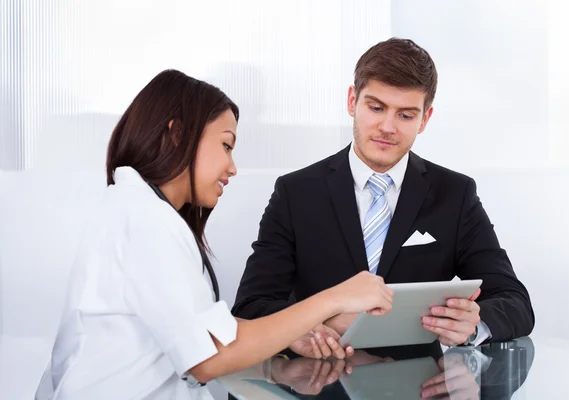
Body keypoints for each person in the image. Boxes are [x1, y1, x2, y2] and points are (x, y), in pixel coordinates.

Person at [34, 69, 394, 400]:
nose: (232, 168)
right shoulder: (144, 219)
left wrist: (283, 347)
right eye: (226, 145)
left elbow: (198, 329)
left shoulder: (141, 212)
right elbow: (207, 356)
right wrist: (336, 298)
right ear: (177, 135)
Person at [232, 38, 535, 354]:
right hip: (317, 380)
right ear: (352, 101)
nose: (387, 127)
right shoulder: (296, 193)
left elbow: (514, 301)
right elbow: (251, 307)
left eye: (405, 115)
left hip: (419, 386)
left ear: (425, 119)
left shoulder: (455, 194)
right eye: (376, 108)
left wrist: (475, 324)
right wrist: (300, 330)